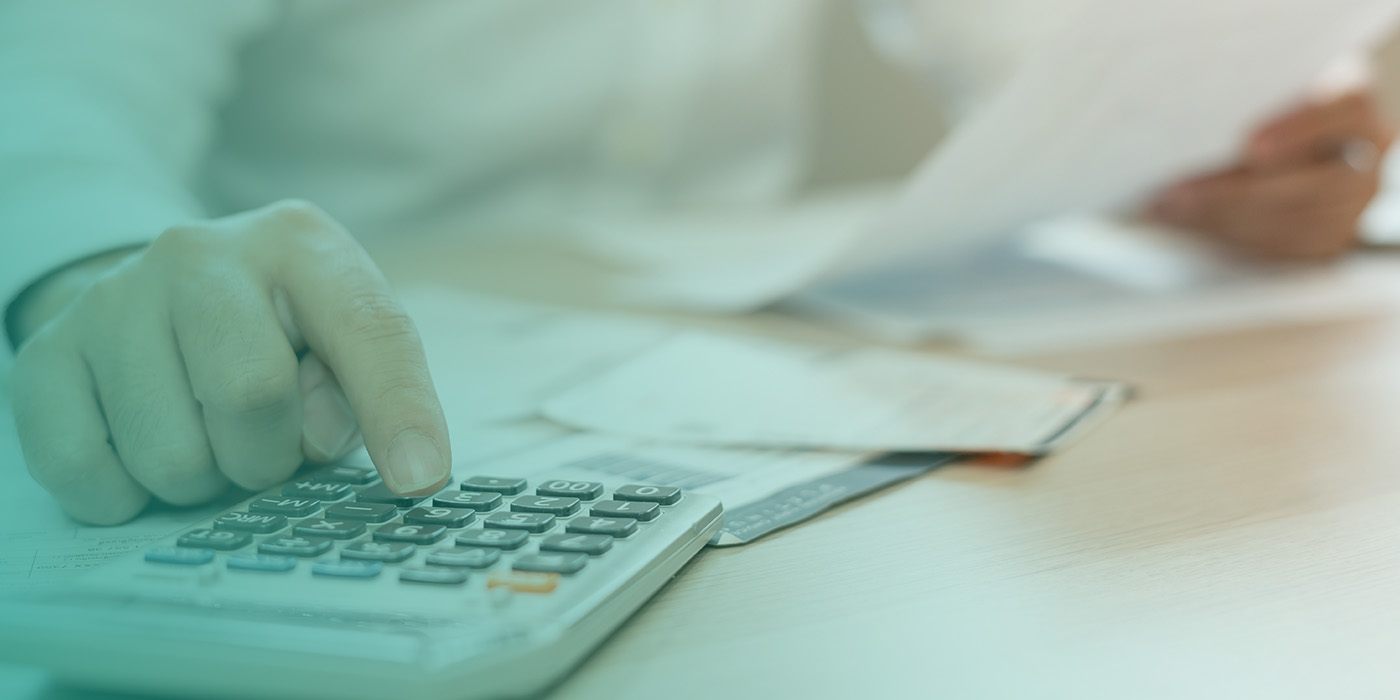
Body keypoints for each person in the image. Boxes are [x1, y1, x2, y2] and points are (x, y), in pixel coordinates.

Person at [2, 1, 1391, 525]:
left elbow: (1042, 38)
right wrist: (93, 268)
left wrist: (1231, 139)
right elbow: (55, 84)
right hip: (325, 428)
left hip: (764, 402)